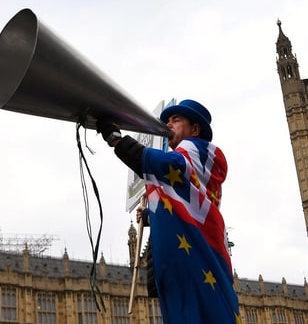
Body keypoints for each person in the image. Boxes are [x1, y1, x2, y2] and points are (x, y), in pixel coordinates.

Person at [96, 99, 240, 323]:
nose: (168, 125)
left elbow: (168, 165)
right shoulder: (187, 163)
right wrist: (151, 215)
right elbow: (185, 203)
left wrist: (116, 139)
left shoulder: (199, 151)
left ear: (194, 129)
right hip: (185, 260)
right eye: (167, 121)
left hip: (199, 256)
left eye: (176, 120)